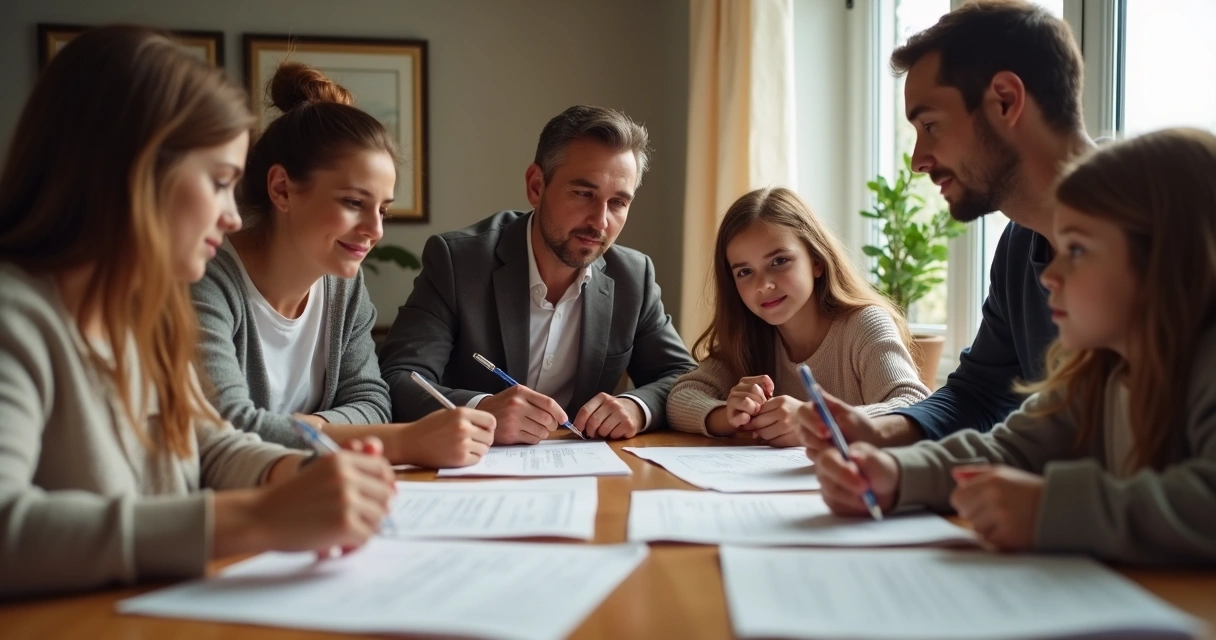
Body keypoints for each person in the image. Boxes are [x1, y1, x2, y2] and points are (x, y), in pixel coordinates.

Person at [0, 26, 395, 599]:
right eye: (217, 183)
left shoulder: (144, 317)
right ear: (132, 173)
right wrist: (257, 518)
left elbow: (210, 443)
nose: (233, 218)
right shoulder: (17, 320)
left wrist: (299, 477)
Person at [806, 128, 1216, 565]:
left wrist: (1052, 510)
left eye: (1076, 249)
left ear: (1165, 259)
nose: (1048, 275)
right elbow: (1009, 451)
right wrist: (897, 474)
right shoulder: (1097, 372)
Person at [804, 0, 1094, 454]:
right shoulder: (1021, 245)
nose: (919, 161)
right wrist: (878, 432)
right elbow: (979, 394)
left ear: (1006, 100)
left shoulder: (1165, 225)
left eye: (931, 125)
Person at [191, 62, 494, 469]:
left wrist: (303, 428)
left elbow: (372, 401)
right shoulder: (205, 282)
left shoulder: (342, 288)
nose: (374, 230)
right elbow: (228, 426)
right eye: (353, 203)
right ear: (282, 189)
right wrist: (401, 443)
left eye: (382, 210)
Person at [379, 105, 696, 444]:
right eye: (584, 194)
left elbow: (681, 378)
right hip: (472, 469)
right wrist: (482, 409)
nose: (600, 221)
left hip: (583, 470)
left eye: (618, 202)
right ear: (536, 186)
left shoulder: (633, 276)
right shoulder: (459, 262)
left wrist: (636, 406)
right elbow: (400, 379)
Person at [667, 187, 927, 446]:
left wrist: (816, 422)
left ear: (816, 261)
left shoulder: (865, 325)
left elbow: (913, 405)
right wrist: (731, 415)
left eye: (779, 261)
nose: (763, 285)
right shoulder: (750, 335)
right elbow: (681, 397)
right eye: (745, 272)